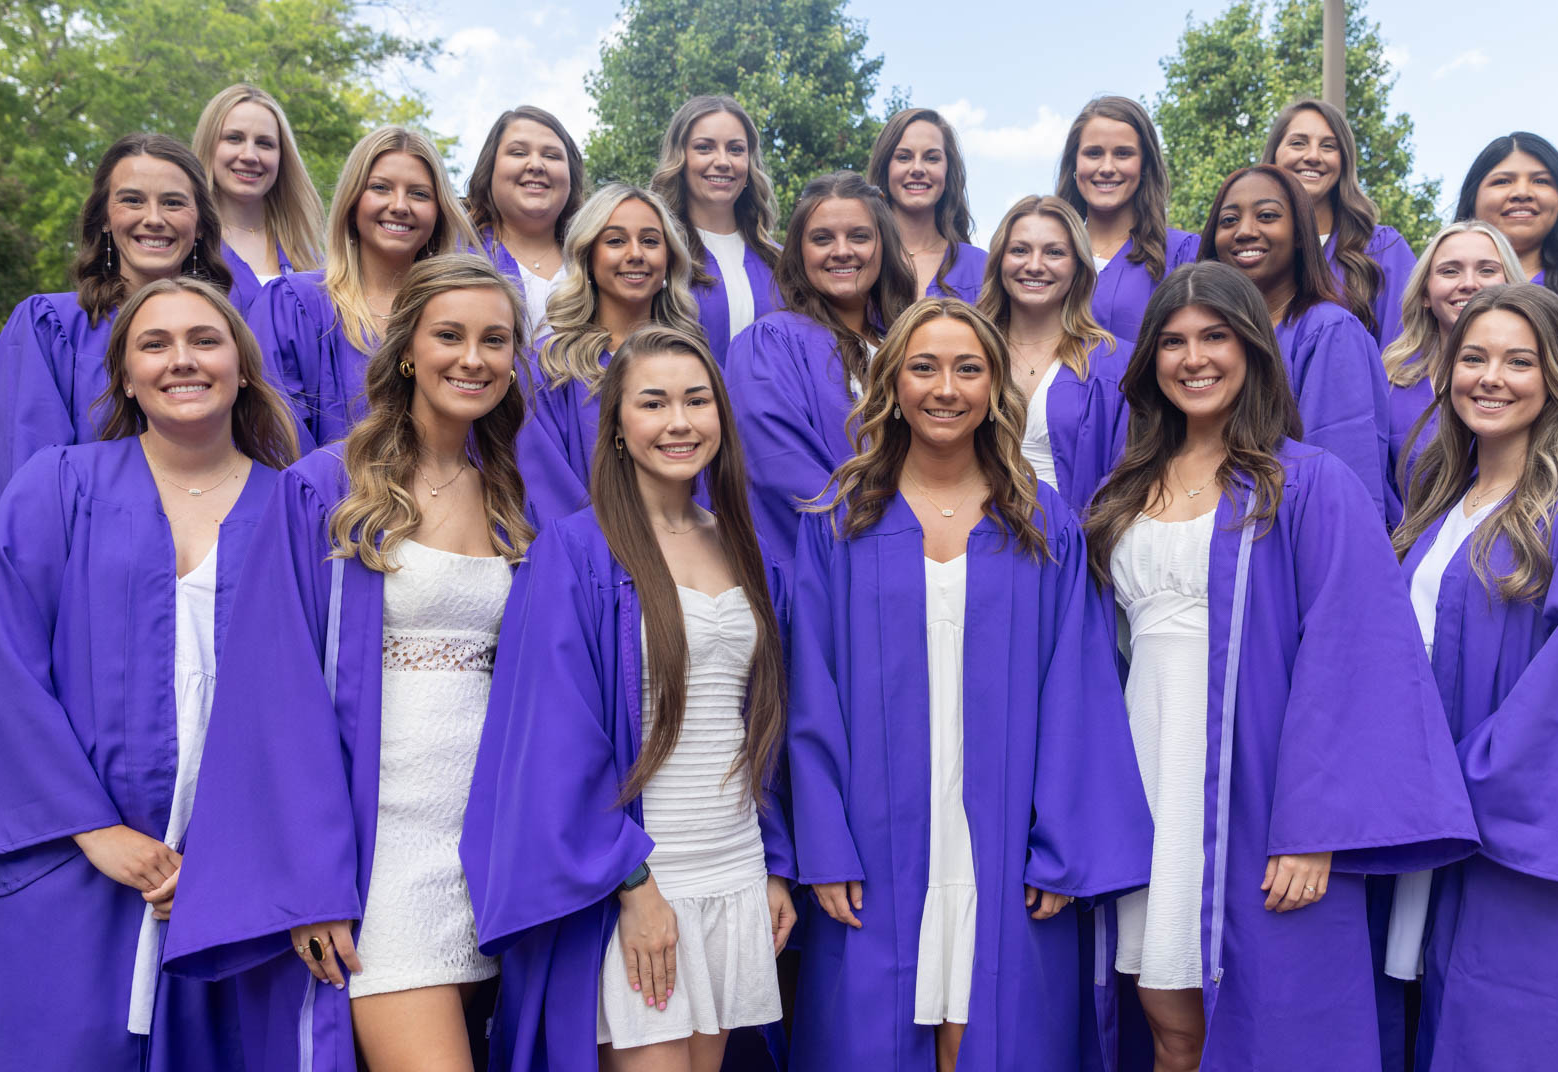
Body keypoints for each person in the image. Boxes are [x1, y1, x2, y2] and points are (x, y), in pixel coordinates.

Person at [0, 277, 298, 1070]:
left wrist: (235, 851)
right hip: (65, 857)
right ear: (122, 374)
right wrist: (96, 829)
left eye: (205, 340)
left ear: (243, 366)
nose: (182, 360)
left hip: (229, 876)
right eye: (155, 344)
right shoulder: (59, 484)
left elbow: (319, 707)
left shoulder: (299, 506)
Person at [1083, 261, 1476, 1072]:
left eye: (1216, 337)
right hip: (1146, 772)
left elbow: (1352, 660)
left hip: (1253, 786)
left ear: (1255, 350)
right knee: (1165, 1017)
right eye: (1174, 342)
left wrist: (1314, 829)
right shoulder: (1123, 489)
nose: (1194, 358)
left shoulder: (1306, 483)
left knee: (1262, 1019)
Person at [163, 254, 533, 1072]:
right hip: (382, 849)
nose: (472, 357)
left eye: (495, 340)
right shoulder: (329, 489)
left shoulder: (512, 494)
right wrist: (312, 884)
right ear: (408, 350)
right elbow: (273, 699)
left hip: (482, 844)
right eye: (450, 335)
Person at [788, 298, 1153, 1071]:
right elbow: (808, 693)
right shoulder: (839, 519)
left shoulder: (1041, 520)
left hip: (1004, 831)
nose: (945, 387)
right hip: (874, 833)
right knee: (872, 1034)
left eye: (967, 368)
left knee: (999, 1032)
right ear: (891, 386)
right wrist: (823, 842)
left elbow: (1077, 689)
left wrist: (1063, 847)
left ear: (995, 388)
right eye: (923, 367)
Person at [465, 325, 796, 1072]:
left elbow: (760, 724)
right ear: (616, 426)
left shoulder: (745, 547)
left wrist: (772, 862)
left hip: (732, 867)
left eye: (697, 400)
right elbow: (559, 738)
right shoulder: (577, 552)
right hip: (642, 873)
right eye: (653, 403)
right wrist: (632, 884)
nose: (679, 422)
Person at [1390, 283, 1558, 1072]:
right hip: (1430, 825)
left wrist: (1448, 785)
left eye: (1519, 360)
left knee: (1509, 1037)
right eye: (1473, 357)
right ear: (1445, 371)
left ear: (1556, 380)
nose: (1491, 377)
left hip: (1514, 836)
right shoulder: (1437, 508)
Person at [0, 132, 238, 580]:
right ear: (105, 219)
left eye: (173, 202)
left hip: (214, 573)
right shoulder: (50, 327)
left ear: (200, 223)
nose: (154, 219)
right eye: (132, 200)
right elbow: (22, 490)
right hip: (87, 582)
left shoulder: (236, 333)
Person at [246, 125, 474, 447]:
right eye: (380, 188)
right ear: (352, 203)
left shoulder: (463, 314)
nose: (399, 205)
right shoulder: (292, 306)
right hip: (326, 496)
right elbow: (275, 438)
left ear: (439, 213)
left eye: (419, 193)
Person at [726, 170, 916, 553]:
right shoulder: (769, 344)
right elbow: (782, 471)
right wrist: (882, 538)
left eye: (859, 236)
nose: (842, 250)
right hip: (838, 557)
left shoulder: (906, 343)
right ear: (800, 250)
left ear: (883, 246)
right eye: (822, 238)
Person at [1198, 165, 1392, 521]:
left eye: (1267, 216)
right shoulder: (1206, 339)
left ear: (1301, 233)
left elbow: (1342, 476)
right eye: (1228, 221)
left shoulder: (1329, 331)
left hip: (1291, 542)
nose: (1244, 231)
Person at [517, 183, 704, 522]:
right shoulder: (549, 367)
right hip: (589, 565)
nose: (636, 254)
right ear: (588, 258)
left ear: (669, 259)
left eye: (650, 241)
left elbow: (714, 481)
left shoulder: (696, 365)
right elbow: (547, 492)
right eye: (616, 241)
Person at [975, 194, 1126, 512]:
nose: (1034, 265)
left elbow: (1126, 477)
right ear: (1000, 260)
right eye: (1019, 250)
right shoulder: (969, 352)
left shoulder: (1114, 363)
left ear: (1078, 266)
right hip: (972, 539)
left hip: (1074, 546)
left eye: (1054, 252)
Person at [1380, 219, 1526, 497]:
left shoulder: (1543, 379)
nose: (1469, 284)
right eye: (1450, 271)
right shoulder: (1388, 384)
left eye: (1487, 270)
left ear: (1512, 285)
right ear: (1425, 293)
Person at [1260, 97, 1414, 347]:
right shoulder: (1248, 249)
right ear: (1274, 156)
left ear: (1343, 162)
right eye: (1298, 143)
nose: (1312, 156)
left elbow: (1407, 354)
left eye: (1328, 146)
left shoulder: (1382, 249)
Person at [1054, 96, 1200, 346]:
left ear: (1144, 166)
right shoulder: (1044, 255)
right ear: (1074, 164)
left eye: (1123, 154)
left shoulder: (1181, 254)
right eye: (1093, 153)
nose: (1107, 167)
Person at [651, 95, 783, 366]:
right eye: (704, 148)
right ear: (681, 158)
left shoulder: (780, 261)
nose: (723, 161)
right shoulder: (658, 255)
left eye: (735, 149)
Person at [1455, 133, 1558, 345]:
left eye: (1540, 181)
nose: (1522, 192)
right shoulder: (1443, 288)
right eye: (1502, 181)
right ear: (1473, 198)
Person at [191, 83, 326, 310]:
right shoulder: (187, 244)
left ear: (282, 157)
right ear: (209, 146)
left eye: (264, 143)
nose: (249, 155)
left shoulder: (308, 251)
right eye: (234, 138)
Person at [465, 105, 585, 319]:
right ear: (490, 169)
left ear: (571, 177)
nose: (536, 165)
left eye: (552, 156)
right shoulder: (452, 253)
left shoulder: (595, 261)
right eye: (518, 153)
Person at [868, 108, 986, 301]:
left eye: (932, 158)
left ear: (948, 170)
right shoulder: (860, 260)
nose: (917, 169)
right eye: (904, 157)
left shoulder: (982, 267)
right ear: (885, 167)